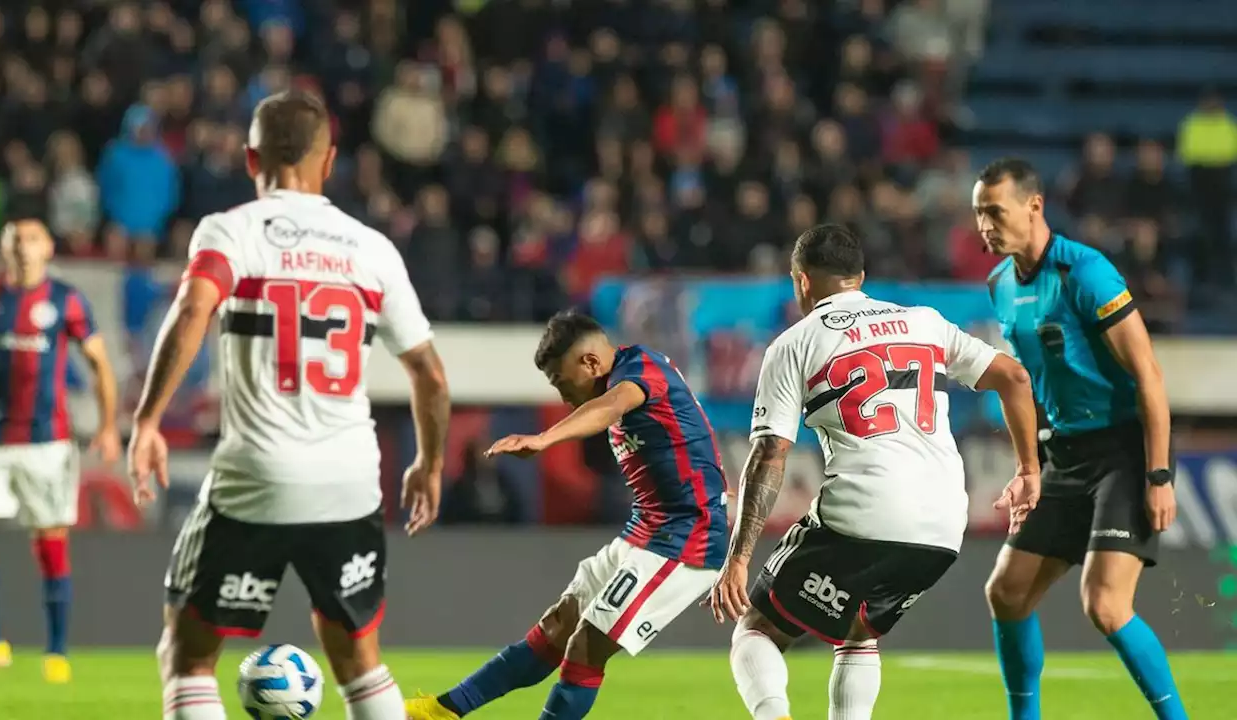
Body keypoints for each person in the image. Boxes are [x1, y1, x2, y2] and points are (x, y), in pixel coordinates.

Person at [125, 90, 451, 720]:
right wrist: (428, 465)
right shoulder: (371, 249)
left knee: (189, 656)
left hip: (257, 477)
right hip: (349, 481)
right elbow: (430, 375)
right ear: (329, 163)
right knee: (359, 660)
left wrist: (147, 420)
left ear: (250, 159)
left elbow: (195, 307)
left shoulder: (231, 231)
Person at [708, 223, 1042, 720]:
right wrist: (1029, 470)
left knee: (756, 629)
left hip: (867, 510)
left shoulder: (793, 344)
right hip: (946, 524)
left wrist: (738, 556)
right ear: (860, 277)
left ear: (801, 281)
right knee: (857, 630)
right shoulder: (924, 321)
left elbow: (771, 453)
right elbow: (1014, 376)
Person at [406, 310, 728, 720]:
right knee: (556, 628)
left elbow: (612, 405)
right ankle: (443, 711)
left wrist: (544, 438)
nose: (562, 397)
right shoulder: (633, 373)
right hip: (646, 530)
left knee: (586, 648)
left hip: (686, 540)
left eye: (561, 382)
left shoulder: (638, 372)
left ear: (590, 362)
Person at [974, 158, 1186, 720]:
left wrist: (1158, 474)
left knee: (1106, 605)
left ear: (1034, 205)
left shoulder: (1085, 273)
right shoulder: (999, 286)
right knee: (1006, 592)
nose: (984, 226)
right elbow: (1028, 384)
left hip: (1123, 451)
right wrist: (1031, 469)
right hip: (1064, 453)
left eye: (994, 211)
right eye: (978, 214)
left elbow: (1149, 375)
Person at [0, 218, 122, 684]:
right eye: (15, 239)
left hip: (47, 442)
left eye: (32, 239)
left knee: (49, 544)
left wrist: (109, 427)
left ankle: (56, 651)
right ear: (3, 247)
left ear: (48, 247)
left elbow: (100, 365)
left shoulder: (65, 300)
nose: (23, 248)